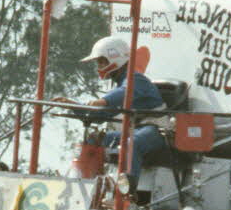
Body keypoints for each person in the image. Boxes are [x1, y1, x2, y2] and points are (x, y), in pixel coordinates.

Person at [58, 35, 167, 191]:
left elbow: (124, 92)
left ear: (115, 59)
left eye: (102, 62)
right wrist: (73, 106)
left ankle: (126, 194)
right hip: (134, 129)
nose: (99, 67)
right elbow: (98, 116)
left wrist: (102, 101)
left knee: (132, 143)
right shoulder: (119, 86)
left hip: (157, 130)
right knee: (94, 139)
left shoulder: (136, 79)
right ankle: (85, 188)